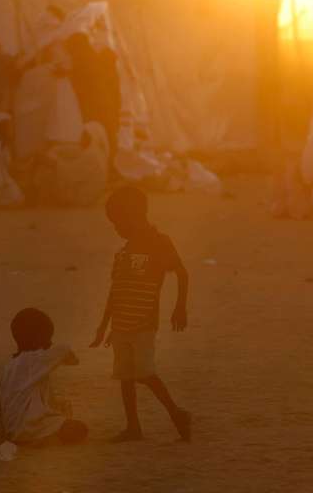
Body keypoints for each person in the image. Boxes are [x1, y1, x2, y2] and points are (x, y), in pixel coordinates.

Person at [90, 186, 192, 442]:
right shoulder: (124, 251)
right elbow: (116, 290)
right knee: (125, 375)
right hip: (122, 323)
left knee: (144, 373)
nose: (116, 229)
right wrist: (104, 325)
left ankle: (176, 412)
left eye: (118, 223)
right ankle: (133, 426)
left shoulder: (159, 243)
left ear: (134, 216)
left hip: (144, 322)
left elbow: (182, 272)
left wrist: (180, 307)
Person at [0, 308, 88, 447]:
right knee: (80, 429)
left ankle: (34, 438)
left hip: (11, 430)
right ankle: (41, 440)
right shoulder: (35, 359)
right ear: (38, 338)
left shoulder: (10, 366)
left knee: (59, 408)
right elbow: (66, 351)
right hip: (30, 427)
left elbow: (0, 404)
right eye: (48, 338)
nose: (50, 343)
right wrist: (66, 357)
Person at [64, 32, 122, 160]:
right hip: (104, 105)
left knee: (97, 136)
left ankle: (103, 166)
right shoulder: (94, 57)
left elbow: (82, 82)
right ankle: (109, 165)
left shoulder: (84, 59)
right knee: (107, 135)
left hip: (94, 106)